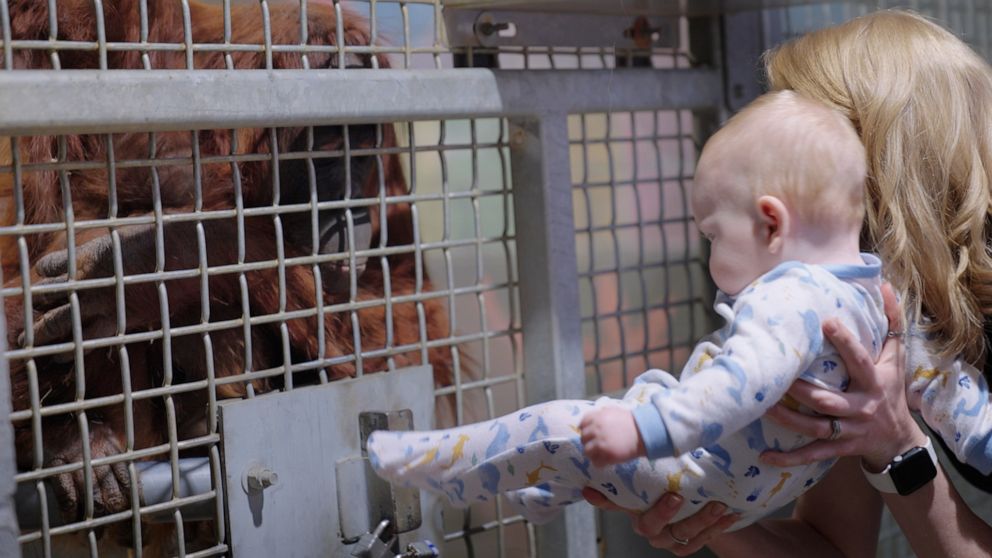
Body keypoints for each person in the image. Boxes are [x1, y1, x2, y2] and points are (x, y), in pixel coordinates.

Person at [366, 90, 988, 531]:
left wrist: (644, 432)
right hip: (749, 489)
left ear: (771, 223)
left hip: (693, 465)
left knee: (555, 424)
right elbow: (950, 393)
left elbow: (736, 387)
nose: (711, 254)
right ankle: (550, 488)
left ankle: (433, 467)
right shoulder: (878, 300)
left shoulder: (788, 296)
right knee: (633, 402)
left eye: (713, 235)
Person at [582, 9, 992, 556]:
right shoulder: (854, 299)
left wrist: (897, 446)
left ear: (883, 165)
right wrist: (698, 509)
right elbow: (832, 546)